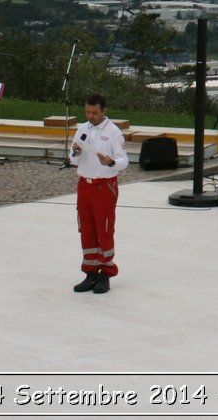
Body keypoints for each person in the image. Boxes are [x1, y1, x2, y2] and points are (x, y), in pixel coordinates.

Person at [69, 93, 128, 295]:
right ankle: (90, 271)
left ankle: (106, 272)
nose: (90, 116)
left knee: (104, 228)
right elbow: (73, 160)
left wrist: (110, 162)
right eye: (87, 111)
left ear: (104, 111)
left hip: (104, 186)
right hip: (85, 185)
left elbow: (124, 161)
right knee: (86, 228)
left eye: (94, 112)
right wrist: (75, 152)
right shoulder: (82, 129)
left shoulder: (113, 132)